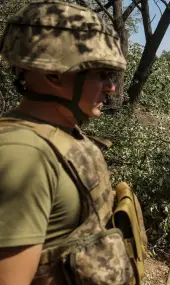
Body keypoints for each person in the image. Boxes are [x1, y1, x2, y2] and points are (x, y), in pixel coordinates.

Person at [0, 1, 139, 284]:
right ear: (53, 74)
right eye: (101, 74)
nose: (111, 87)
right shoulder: (24, 156)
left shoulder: (61, 134)